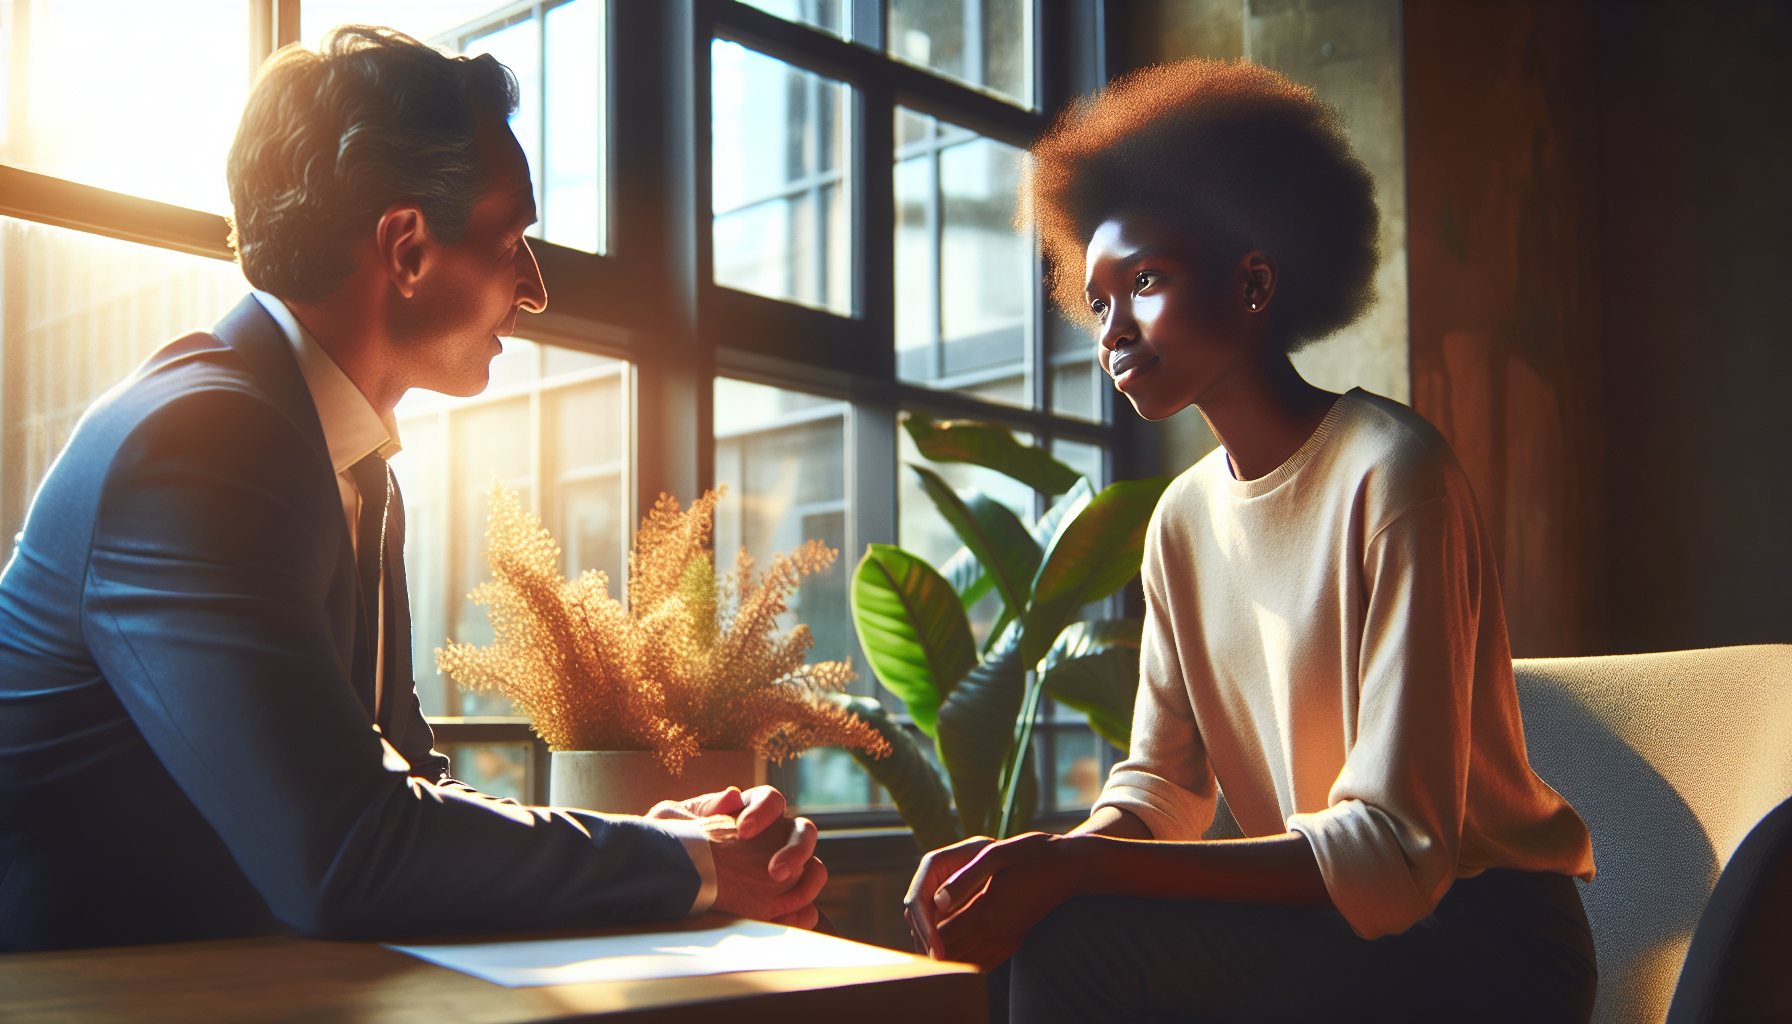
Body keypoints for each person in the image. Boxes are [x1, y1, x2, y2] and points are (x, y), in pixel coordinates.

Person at [0, 26, 824, 952]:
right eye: (515, 236)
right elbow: (352, 853)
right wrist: (690, 864)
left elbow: (405, 792)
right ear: (407, 248)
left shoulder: (349, 465)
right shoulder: (202, 443)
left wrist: (655, 838)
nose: (537, 287)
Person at [903, 59, 1599, 1023]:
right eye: (1098, 302)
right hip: (1340, 931)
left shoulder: (1394, 474)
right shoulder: (1181, 522)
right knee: (1031, 928)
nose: (1114, 332)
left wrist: (1077, 869)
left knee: (1078, 940)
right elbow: (1159, 790)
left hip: (1490, 946)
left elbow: (1395, 854)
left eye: (1145, 282)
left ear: (1256, 282)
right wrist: (1041, 860)